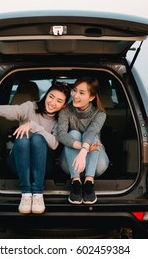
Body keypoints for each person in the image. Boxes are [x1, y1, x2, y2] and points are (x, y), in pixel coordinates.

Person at [0, 81, 70, 214]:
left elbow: (55, 144)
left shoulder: (61, 120)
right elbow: (15, 110)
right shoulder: (30, 107)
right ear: (46, 95)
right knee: (22, 137)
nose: (53, 102)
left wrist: (34, 126)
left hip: (43, 167)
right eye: (51, 96)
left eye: (59, 101)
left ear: (64, 105)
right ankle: (26, 194)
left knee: (38, 138)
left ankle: (37, 194)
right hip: (18, 165)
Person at [56, 77, 109, 205]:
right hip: (71, 164)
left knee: (92, 137)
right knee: (72, 133)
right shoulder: (65, 110)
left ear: (91, 97)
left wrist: (84, 151)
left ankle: (89, 182)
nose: (75, 95)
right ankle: (76, 182)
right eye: (74, 90)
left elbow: (91, 132)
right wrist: (82, 149)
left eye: (81, 92)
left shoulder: (100, 114)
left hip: (97, 165)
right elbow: (61, 134)